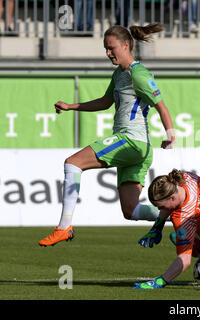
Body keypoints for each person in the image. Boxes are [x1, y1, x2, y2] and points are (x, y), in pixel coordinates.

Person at [38, 23, 175, 247]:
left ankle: (64, 227)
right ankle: (177, 211)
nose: (108, 53)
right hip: (137, 149)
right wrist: (71, 106)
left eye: (112, 48)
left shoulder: (139, 74)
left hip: (131, 141)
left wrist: (170, 134)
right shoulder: (119, 74)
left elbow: (161, 106)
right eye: (105, 48)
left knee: (72, 164)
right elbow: (104, 102)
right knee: (131, 211)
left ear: (126, 45)